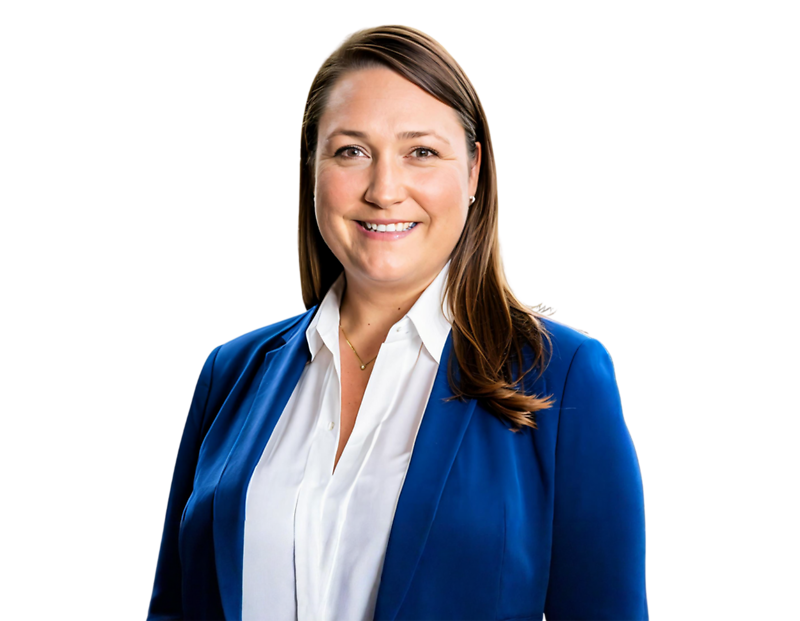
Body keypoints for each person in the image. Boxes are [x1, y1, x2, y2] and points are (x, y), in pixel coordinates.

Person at [146, 24, 649, 621]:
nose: (385, 190)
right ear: (312, 169)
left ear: (473, 173)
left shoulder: (564, 375)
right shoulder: (227, 374)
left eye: (422, 152)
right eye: (351, 151)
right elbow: (176, 606)